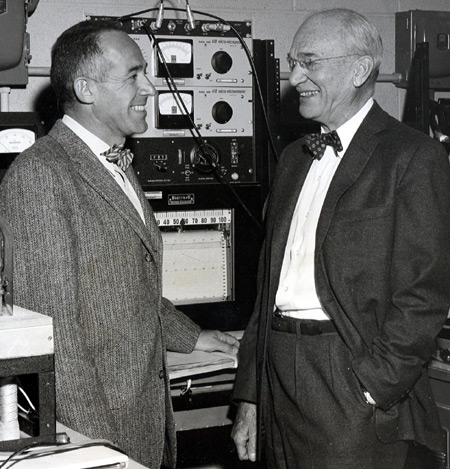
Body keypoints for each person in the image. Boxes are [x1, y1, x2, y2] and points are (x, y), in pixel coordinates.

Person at [0, 19, 239, 469]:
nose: (148, 87)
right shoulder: (41, 176)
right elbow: (56, 339)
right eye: (133, 75)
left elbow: (126, 285)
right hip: (103, 434)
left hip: (142, 421)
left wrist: (194, 337)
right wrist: (102, 453)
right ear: (87, 89)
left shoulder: (119, 163)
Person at [231, 8, 450, 469]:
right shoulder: (293, 158)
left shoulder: (413, 157)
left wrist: (370, 387)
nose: (296, 77)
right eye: (294, 62)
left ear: (359, 69)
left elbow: (425, 295)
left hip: (348, 374)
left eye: (310, 62)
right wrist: (250, 395)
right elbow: (265, 290)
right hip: (277, 369)